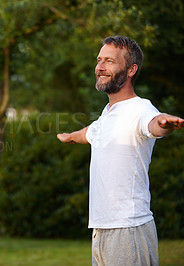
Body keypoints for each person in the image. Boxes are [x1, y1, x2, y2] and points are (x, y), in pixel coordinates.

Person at [57, 36, 184, 266]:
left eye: (109, 61)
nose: (100, 67)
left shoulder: (140, 108)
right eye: (99, 60)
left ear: (131, 69)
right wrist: (69, 137)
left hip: (129, 228)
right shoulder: (108, 114)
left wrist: (164, 123)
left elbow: (153, 124)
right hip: (101, 229)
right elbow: (90, 132)